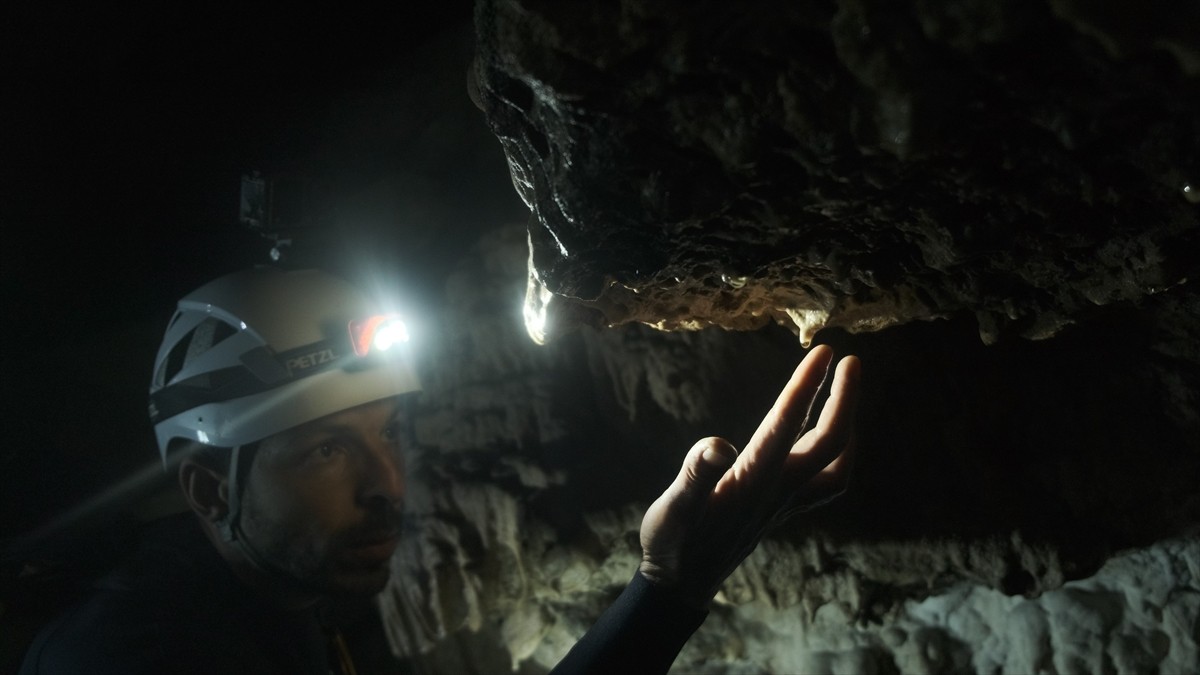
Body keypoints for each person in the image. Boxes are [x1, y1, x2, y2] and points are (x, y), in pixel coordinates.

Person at [19, 266, 861, 674]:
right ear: (208, 486)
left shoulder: (260, 598)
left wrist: (670, 585)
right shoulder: (129, 658)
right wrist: (666, 588)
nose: (386, 480)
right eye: (327, 448)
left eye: (386, 431)